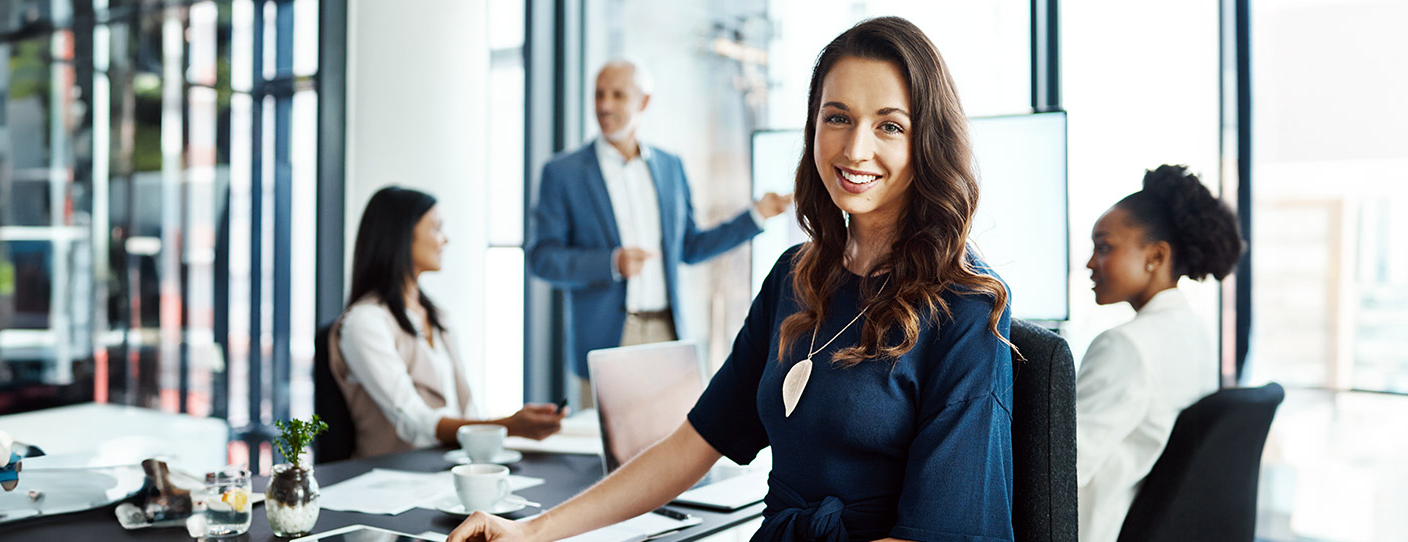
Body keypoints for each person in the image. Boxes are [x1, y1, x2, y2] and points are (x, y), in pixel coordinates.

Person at [451, 16, 1014, 542]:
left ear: (928, 140)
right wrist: (530, 531)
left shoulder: (966, 305)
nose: (854, 148)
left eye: (889, 125)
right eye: (836, 117)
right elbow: (695, 442)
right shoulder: (796, 276)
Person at [527, 58, 792, 408]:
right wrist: (611, 263)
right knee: (606, 457)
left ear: (644, 102)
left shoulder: (670, 167)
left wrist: (756, 215)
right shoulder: (563, 172)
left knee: (672, 445)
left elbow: (690, 247)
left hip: (667, 334)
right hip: (606, 338)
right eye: (598, 95)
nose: (604, 105)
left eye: (618, 95)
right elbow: (542, 259)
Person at [329, 187, 564, 459]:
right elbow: (414, 421)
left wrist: (498, 434)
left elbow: (465, 407)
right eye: (437, 228)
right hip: (396, 476)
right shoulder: (365, 322)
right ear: (402, 235)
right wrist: (508, 426)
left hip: (448, 466)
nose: (446, 240)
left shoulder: (437, 316)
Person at [1075, 165, 1245, 542]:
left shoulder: (1125, 346)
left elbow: (1061, 467)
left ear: (1156, 256)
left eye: (1104, 247)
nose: (1090, 263)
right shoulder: (1194, 333)